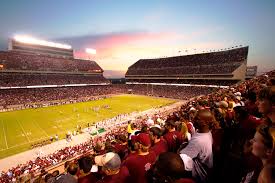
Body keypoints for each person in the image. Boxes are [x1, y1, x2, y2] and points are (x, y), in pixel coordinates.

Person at [179, 109, 219, 183]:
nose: (193, 119)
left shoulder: (199, 140)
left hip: (199, 176)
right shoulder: (205, 132)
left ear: (205, 123)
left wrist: (180, 149)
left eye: (197, 119)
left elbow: (181, 160)